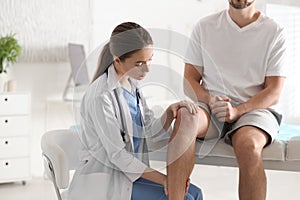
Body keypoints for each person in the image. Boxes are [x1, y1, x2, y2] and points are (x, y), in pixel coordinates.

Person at [67, 22, 203, 200]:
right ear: (117, 60)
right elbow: (118, 156)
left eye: (149, 60)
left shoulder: (133, 86)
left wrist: (169, 114)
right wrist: (166, 179)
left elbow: (150, 135)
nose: (147, 69)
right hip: (110, 181)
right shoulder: (100, 96)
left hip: (134, 176)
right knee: (183, 197)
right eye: (139, 63)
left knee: (195, 193)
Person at [167, 1, 287, 200]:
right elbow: (189, 79)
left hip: (254, 110)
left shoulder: (274, 31)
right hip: (211, 107)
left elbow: (274, 91)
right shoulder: (205, 26)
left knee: (249, 146)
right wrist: (210, 100)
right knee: (186, 118)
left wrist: (238, 111)